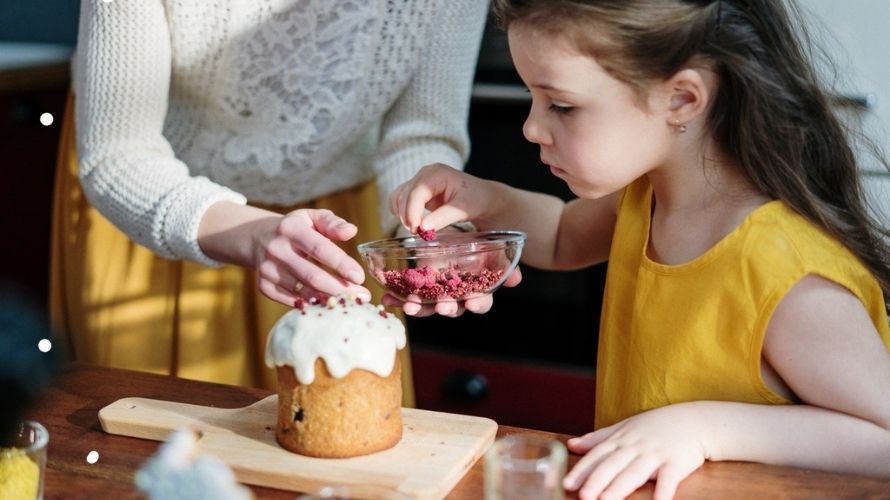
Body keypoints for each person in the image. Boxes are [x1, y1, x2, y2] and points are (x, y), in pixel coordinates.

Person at [387, 0, 890, 497]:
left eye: (561, 104)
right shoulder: (643, 198)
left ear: (682, 100)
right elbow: (561, 235)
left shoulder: (787, 274)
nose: (532, 127)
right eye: (532, 97)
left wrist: (706, 430)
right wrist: (484, 199)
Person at [50, 0, 489, 403]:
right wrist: (251, 233)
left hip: (334, 232)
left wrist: (431, 230)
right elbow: (118, 154)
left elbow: (420, 133)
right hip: (162, 215)